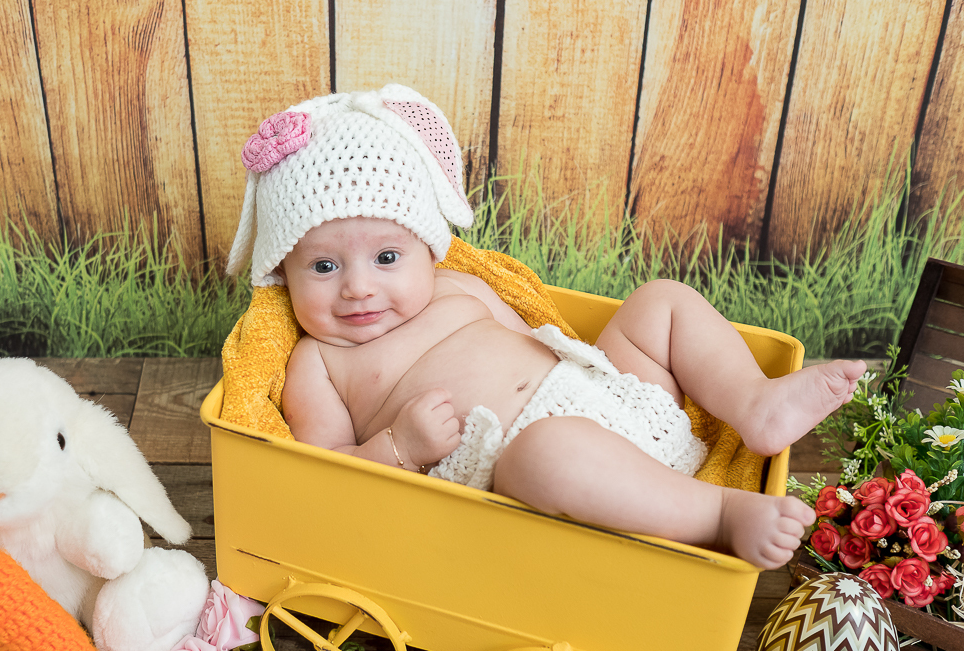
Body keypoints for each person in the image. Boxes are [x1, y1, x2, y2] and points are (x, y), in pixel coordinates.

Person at [226, 84, 864, 570]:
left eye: (387, 257)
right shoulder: (317, 364)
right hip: (536, 468)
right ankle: (717, 512)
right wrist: (397, 448)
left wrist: (600, 377)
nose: (358, 286)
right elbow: (325, 477)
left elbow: (544, 339)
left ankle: (756, 404)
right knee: (545, 453)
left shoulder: (457, 285)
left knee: (657, 302)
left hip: (613, 402)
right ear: (284, 269)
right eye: (324, 265)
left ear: (429, 247)